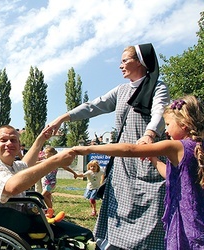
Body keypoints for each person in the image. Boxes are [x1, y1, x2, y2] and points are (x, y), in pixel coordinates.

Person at [48, 43, 170, 249]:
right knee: (118, 211)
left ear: (140, 62)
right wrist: (63, 117)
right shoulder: (121, 91)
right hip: (122, 164)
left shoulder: (158, 87)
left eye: (125, 60)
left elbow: (159, 112)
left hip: (146, 161)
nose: (120, 65)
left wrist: (149, 135)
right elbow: (93, 105)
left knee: (152, 211)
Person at [71, 95, 204, 249]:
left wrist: (87, 149)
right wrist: (154, 159)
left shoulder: (177, 146)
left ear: (184, 124)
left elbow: (130, 149)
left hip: (187, 219)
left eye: (167, 124)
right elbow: (170, 175)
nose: (166, 130)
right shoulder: (198, 146)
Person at [0, 125, 93, 242]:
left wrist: (41, 138)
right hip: (11, 225)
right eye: (3, 140)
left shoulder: (10, 165)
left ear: (19, 145)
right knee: (84, 235)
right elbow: (12, 187)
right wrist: (55, 161)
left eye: (13, 140)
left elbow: (27, 164)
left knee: (76, 231)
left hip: (21, 219)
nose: (9, 143)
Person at [38, 146, 76, 214]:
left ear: (52, 154)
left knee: (42, 195)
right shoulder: (44, 161)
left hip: (51, 183)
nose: (44, 154)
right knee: (48, 196)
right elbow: (36, 163)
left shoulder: (56, 162)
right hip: (44, 182)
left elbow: (66, 167)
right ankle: (50, 211)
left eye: (46, 153)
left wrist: (74, 173)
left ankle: (50, 211)